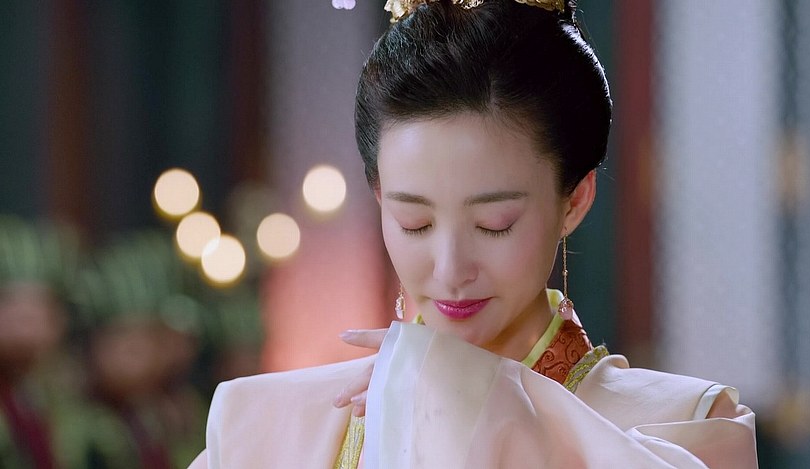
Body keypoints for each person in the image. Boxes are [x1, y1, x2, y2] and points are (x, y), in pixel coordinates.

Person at [189, 0, 757, 467]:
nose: (450, 269)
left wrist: (477, 402)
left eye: (494, 225)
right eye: (415, 223)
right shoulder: (260, 431)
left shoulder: (684, 428)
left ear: (575, 201)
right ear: (380, 198)